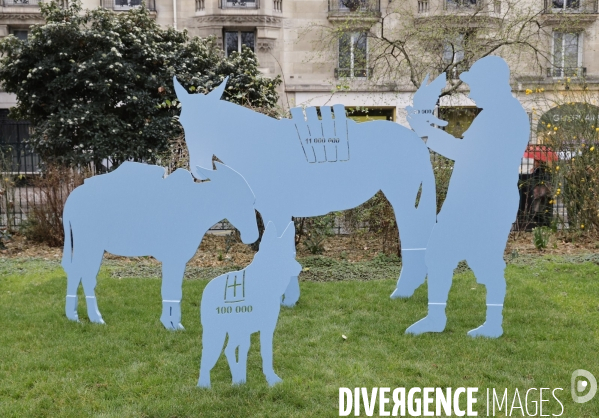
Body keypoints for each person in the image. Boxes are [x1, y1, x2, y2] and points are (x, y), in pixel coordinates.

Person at [406, 56, 530, 337]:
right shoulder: (496, 113)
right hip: (470, 202)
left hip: (486, 204)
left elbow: (468, 155)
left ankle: (493, 325)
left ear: (492, 84)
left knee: (487, 263)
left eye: (474, 83)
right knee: (439, 255)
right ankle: (436, 317)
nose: (469, 89)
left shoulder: (506, 116)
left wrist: (428, 133)